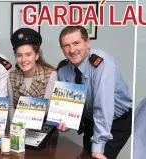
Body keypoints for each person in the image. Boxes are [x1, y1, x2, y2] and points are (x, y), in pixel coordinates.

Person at [56, 26, 132, 159]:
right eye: (66, 45)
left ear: (87, 42)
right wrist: (67, 122)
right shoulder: (63, 69)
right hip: (90, 119)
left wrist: (98, 147)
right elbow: (70, 104)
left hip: (116, 121)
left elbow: (103, 106)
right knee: (86, 155)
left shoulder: (102, 64)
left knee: (97, 155)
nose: (72, 50)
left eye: (76, 43)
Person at [8, 28, 57, 120]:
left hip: (44, 128)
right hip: (18, 128)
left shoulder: (50, 74)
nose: (23, 60)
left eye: (28, 54)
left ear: (37, 55)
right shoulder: (11, 76)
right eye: (19, 55)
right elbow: (11, 106)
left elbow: (46, 108)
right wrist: (15, 128)